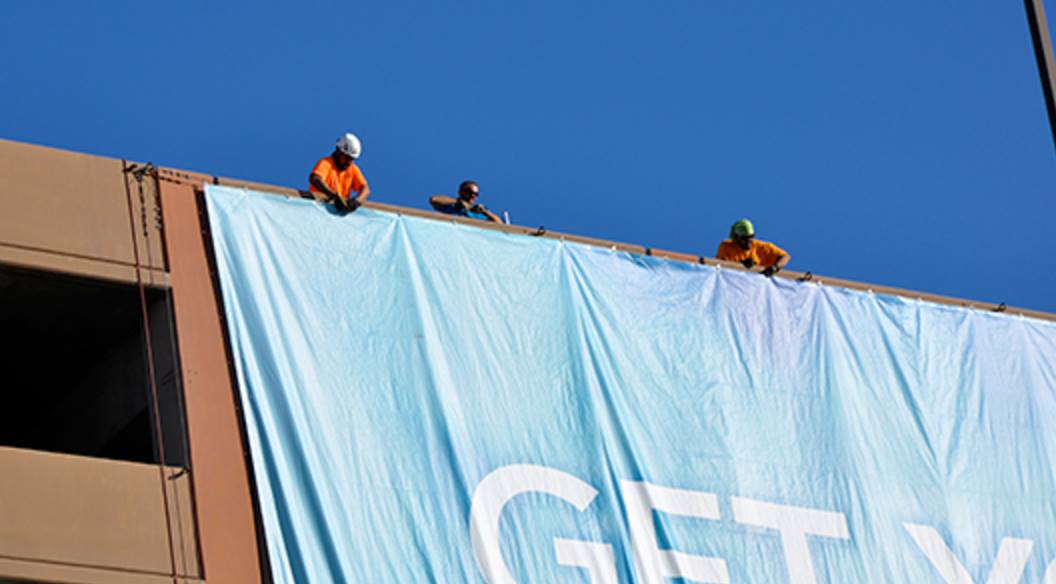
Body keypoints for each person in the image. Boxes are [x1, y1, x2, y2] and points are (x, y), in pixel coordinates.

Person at [309, 133, 371, 214]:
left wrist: (356, 202)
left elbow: (366, 189)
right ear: (339, 152)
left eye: (351, 159)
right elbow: (315, 179)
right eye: (347, 158)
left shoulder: (352, 169)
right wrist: (333, 196)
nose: (349, 162)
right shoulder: (326, 163)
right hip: (318, 209)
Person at [716, 218, 790, 277]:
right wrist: (741, 264)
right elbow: (720, 267)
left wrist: (774, 268)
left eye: (751, 237)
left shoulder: (762, 247)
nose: (749, 240)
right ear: (737, 237)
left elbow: (785, 257)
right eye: (745, 238)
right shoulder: (726, 246)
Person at [428, 180, 503, 223]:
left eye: (476, 194)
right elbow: (434, 199)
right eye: (470, 192)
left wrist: (485, 211)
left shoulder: (477, 213)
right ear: (461, 192)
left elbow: (500, 224)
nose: (473, 196)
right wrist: (458, 202)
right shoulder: (452, 207)